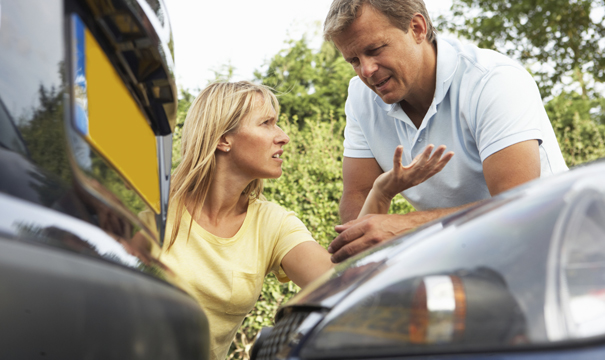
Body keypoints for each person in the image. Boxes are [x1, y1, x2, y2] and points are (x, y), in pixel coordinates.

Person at [149, 81, 450, 360]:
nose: (283, 136)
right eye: (266, 123)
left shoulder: (272, 224)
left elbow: (346, 289)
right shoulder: (157, 207)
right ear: (224, 139)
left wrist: (380, 193)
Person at [323, 0, 568, 263]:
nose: (367, 70)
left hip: (554, 251)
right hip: (466, 261)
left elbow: (516, 207)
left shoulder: (493, 80)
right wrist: (363, 261)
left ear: (417, 28)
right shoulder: (361, 98)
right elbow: (358, 192)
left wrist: (408, 228)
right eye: (354, 60)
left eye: (375, 49)